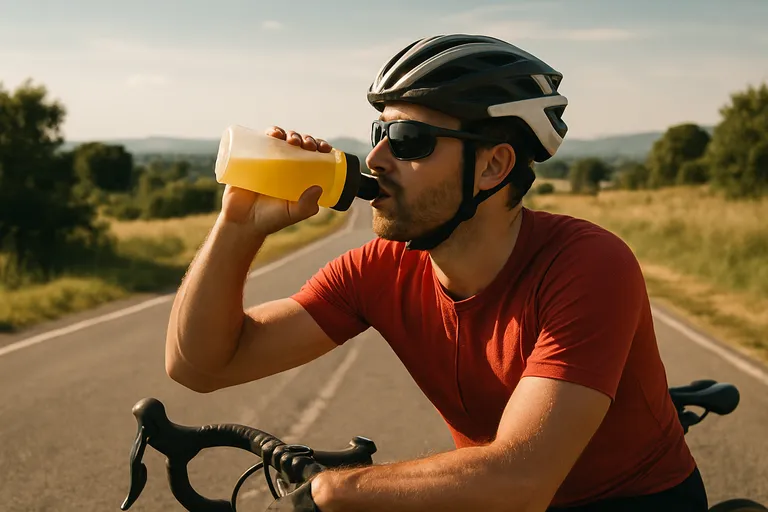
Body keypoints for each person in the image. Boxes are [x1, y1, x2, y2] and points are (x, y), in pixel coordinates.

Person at [165, 34, 708, 511]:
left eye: (408, 141)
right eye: (379, 131)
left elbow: (519, 481)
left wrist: (334, 491)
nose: (375, 158)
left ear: (493, 166)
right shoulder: (380, 268)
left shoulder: (588, 265)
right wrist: (237, 226)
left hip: (630, 501)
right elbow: (201, 365)